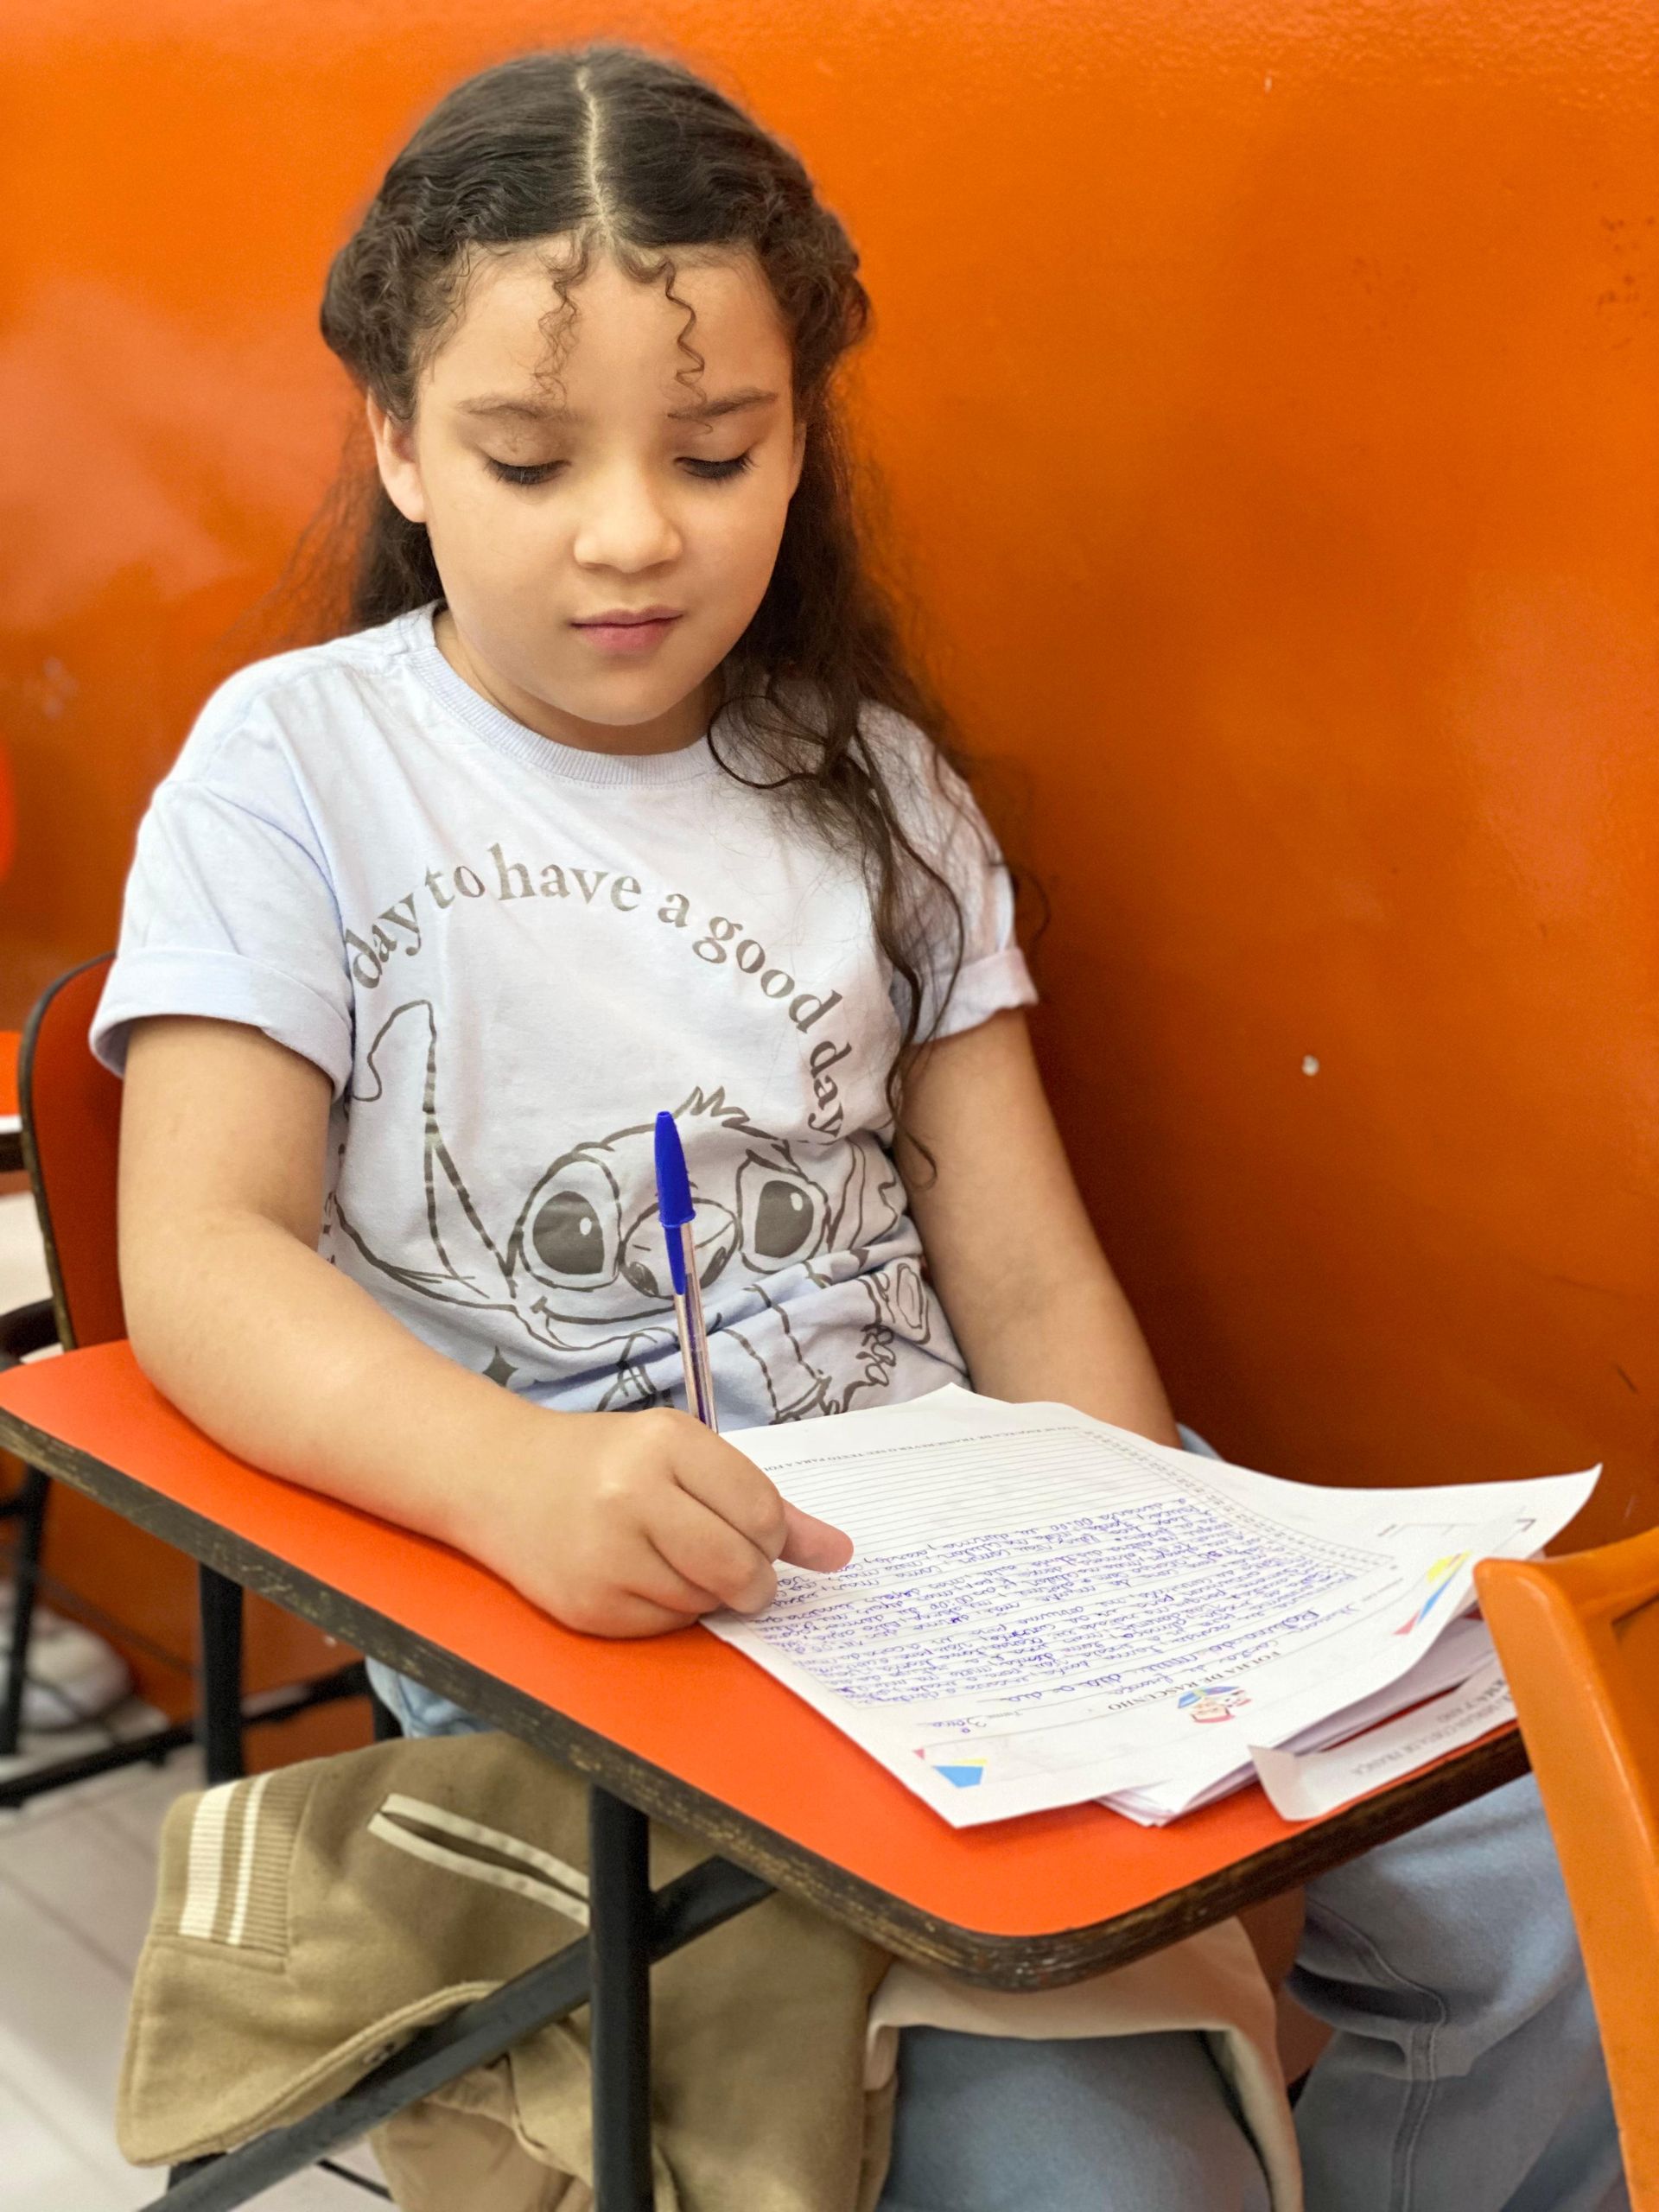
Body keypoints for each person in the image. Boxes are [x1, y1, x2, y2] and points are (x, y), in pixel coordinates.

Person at [92, 45, 1625, 2212]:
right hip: (573, 1585)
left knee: (1550, 1843)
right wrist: (520, 1478)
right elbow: (204, 1260)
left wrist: (1134, 1595)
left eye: (717, 451)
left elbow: (1023, 1272)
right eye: (531, 458)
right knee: (1118, 2174)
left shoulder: (873, 777)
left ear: (800, 435)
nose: (635, 531)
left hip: (962, 1562)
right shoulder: (301, 766)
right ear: (398, 443)